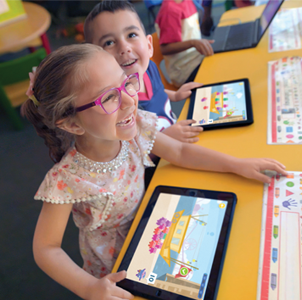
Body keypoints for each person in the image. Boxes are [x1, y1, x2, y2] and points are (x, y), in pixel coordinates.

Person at [22, 44, 287, 299]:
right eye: (109, 97)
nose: (129, 101)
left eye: (126, 83)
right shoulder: (67, 180)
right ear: (71, 123)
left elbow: (180, 152)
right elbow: (46, 249)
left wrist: (236, 164)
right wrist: (89, 288)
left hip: (154, 225)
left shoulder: (134, 128)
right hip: (115, 262)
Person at [84, 0, 202, 144]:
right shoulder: (117, 105)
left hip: (179, 138)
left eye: (131, 35)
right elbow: (131, 156)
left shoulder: (149, 69)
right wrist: (166, 138)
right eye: (109, 42)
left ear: (149, 45)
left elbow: (157, 92)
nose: (124, 48)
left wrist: (175, 95)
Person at [155, 0, 214, 88]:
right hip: (184, 71)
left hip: (197, 58)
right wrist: (193, 43)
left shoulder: (188, 2)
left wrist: (198, 43)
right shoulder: (169, 10)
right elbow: (165, 48)